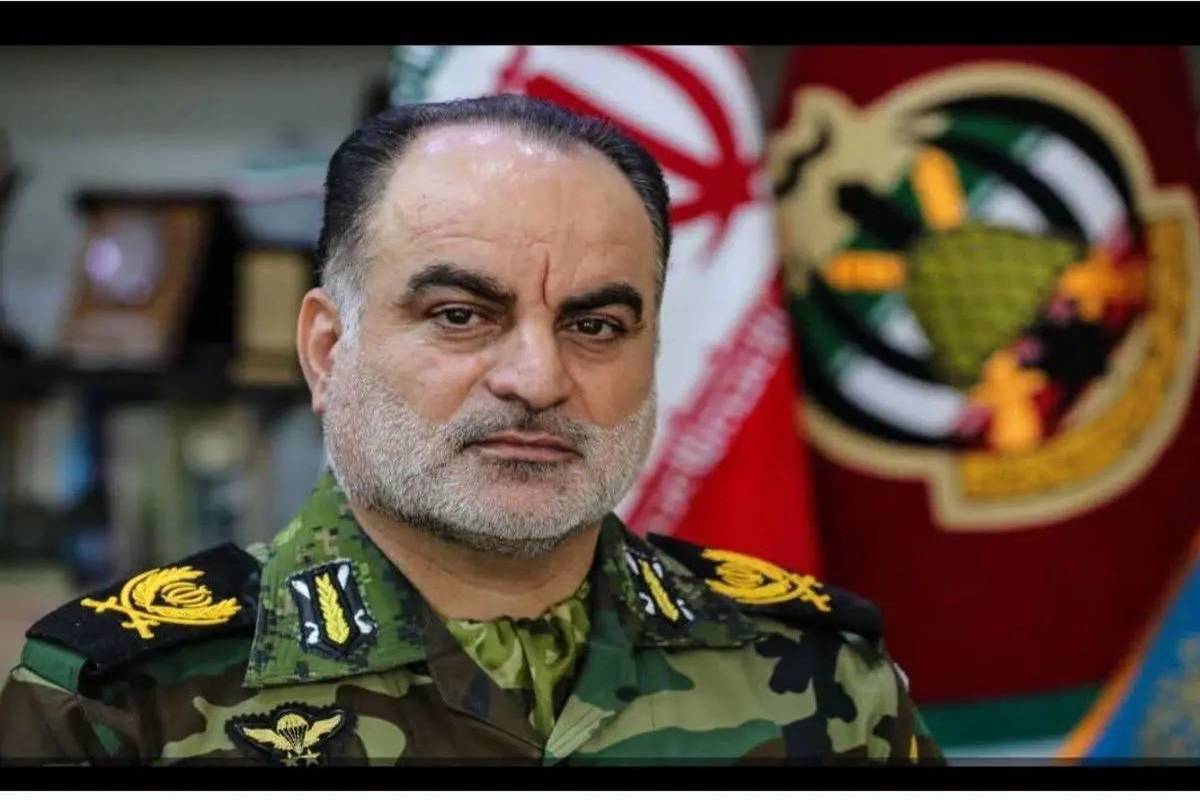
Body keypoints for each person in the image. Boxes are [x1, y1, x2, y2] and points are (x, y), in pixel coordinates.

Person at [0, 95, 941, 766]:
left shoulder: (827, 682)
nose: (538, 379)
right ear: (327, 350)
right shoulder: (124, 708)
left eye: (596, 326)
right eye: (460, 315)